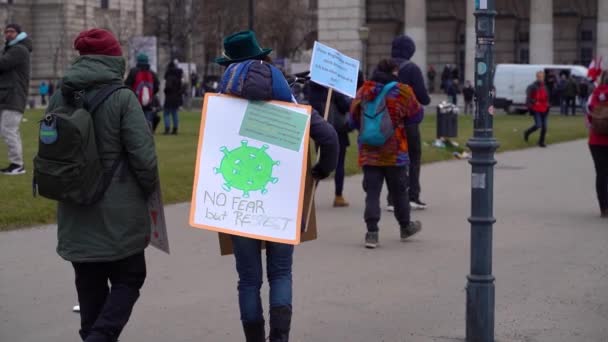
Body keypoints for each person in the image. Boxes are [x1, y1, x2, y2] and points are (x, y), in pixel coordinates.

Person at [215, 30, 338, 342]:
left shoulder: (222, 106)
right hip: (283, 199)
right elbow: (330, 139)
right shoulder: (290, 109)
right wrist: (320, 171)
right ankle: (279, 338)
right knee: (281, 273)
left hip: (238, 202)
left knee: (248, 280)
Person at [45, 28, 158, 342]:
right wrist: (149, 190)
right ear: (113, 59)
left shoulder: (59, 95)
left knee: (89, 286)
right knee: (131, 276)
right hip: (118, 214)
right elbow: (144, 159)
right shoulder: (123, 98)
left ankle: (93, 335)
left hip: (74, 206)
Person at [350, 59, 423, 249]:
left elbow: (354, 116)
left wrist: (370, 130)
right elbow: (417, 114)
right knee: (399, 192)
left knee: (372, 193)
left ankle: (372, 233)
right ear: (394, 71)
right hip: (395, 151)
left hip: (369, 152)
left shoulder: (364, 90)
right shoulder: (402, 91)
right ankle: (405, 226)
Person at [391, 34, 431, 210]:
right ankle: (412, 195)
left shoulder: (385, 66)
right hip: (409, 121)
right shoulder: (412, 69)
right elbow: (423, 98)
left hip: (388, 122)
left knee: (392, 159)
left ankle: (392, 198)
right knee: (413, 158)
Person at [308, 82, 352, 207]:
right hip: (338, 130)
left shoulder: (312, 88)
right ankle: (338, 196)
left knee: (320, 161)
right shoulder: (333, 89)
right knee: (339, 164)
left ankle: (309, 195)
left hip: (320, 131)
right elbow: (345, 105)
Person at [0, 23, 32, 175]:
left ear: (19, 33)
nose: (8, 34)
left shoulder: (19, 50)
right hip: (6, 96)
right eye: (6, 31)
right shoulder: (11, 49)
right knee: (7, 130)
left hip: (14, 97)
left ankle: (17, 165)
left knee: (9, 130)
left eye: (11, 31)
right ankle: (16, 164)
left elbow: (3, 63)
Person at [585, 70, 608, 218]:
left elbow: (588, 118)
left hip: (596, 140)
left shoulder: (594, 94)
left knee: (601, 174)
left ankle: (603, 208)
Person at [125, 53, 160, 130]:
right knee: (148, 122)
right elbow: (157, 87)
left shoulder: (133, 72)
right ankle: (148, 135)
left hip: (135, 102)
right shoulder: (152, 73)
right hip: (149, 103)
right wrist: (150, 95)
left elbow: (127, 85)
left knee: (136, 123)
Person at [524, 71, 550, 147]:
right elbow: (528, 97)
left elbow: (547, 97)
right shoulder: (532, 86)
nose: (541, 78)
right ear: (537, 77)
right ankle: (527, 132)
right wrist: (533, 103)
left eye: (542, 77)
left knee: (544, 127)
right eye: (539, 77)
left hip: (544, 108)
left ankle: (541, 142)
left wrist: (548, 104)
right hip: (536, 108)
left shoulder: (545, 86)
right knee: (538, 125)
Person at [163, 60, 183, 135]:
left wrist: (165, 91)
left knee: (166, 113)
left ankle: (167, 129)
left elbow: (168, 87)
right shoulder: (178, 76)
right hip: (176, 96)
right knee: (174, 113)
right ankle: (175, 129)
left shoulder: (169, 76)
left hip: (169, 97)